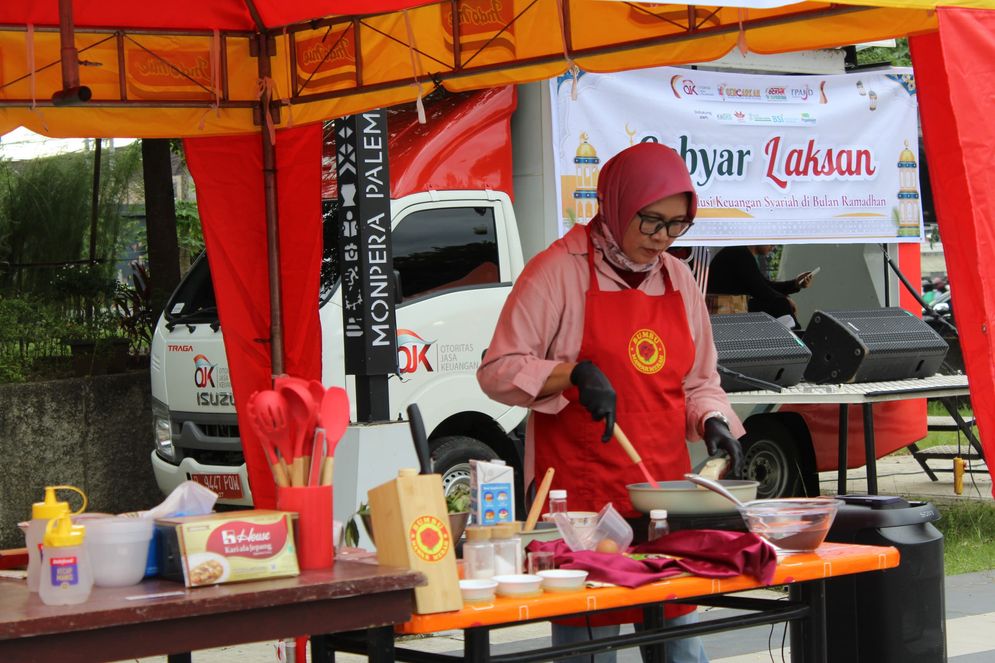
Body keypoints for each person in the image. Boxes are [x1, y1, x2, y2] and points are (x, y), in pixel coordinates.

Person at [477, 143, 746, 663]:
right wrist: (568, 374)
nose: (662, 238)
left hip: (662, 498)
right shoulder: (558, 270)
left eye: (676, 225)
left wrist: (713, 419)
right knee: (591, 648)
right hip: (582, 504)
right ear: (618, 204)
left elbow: (700, 380)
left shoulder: (679, 279)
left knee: (678, 647)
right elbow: (497, 371)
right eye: (650, 222)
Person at [706, 245, 814, 327]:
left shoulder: (743, 253)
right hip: (723, 312)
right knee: (781, 304)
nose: (774, 246)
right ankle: (799, 341)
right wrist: (785, 299)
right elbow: (762, 291)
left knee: (781, 303)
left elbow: (765, 285)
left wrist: (795, 284)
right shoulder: (740, 254)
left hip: (733, 309)